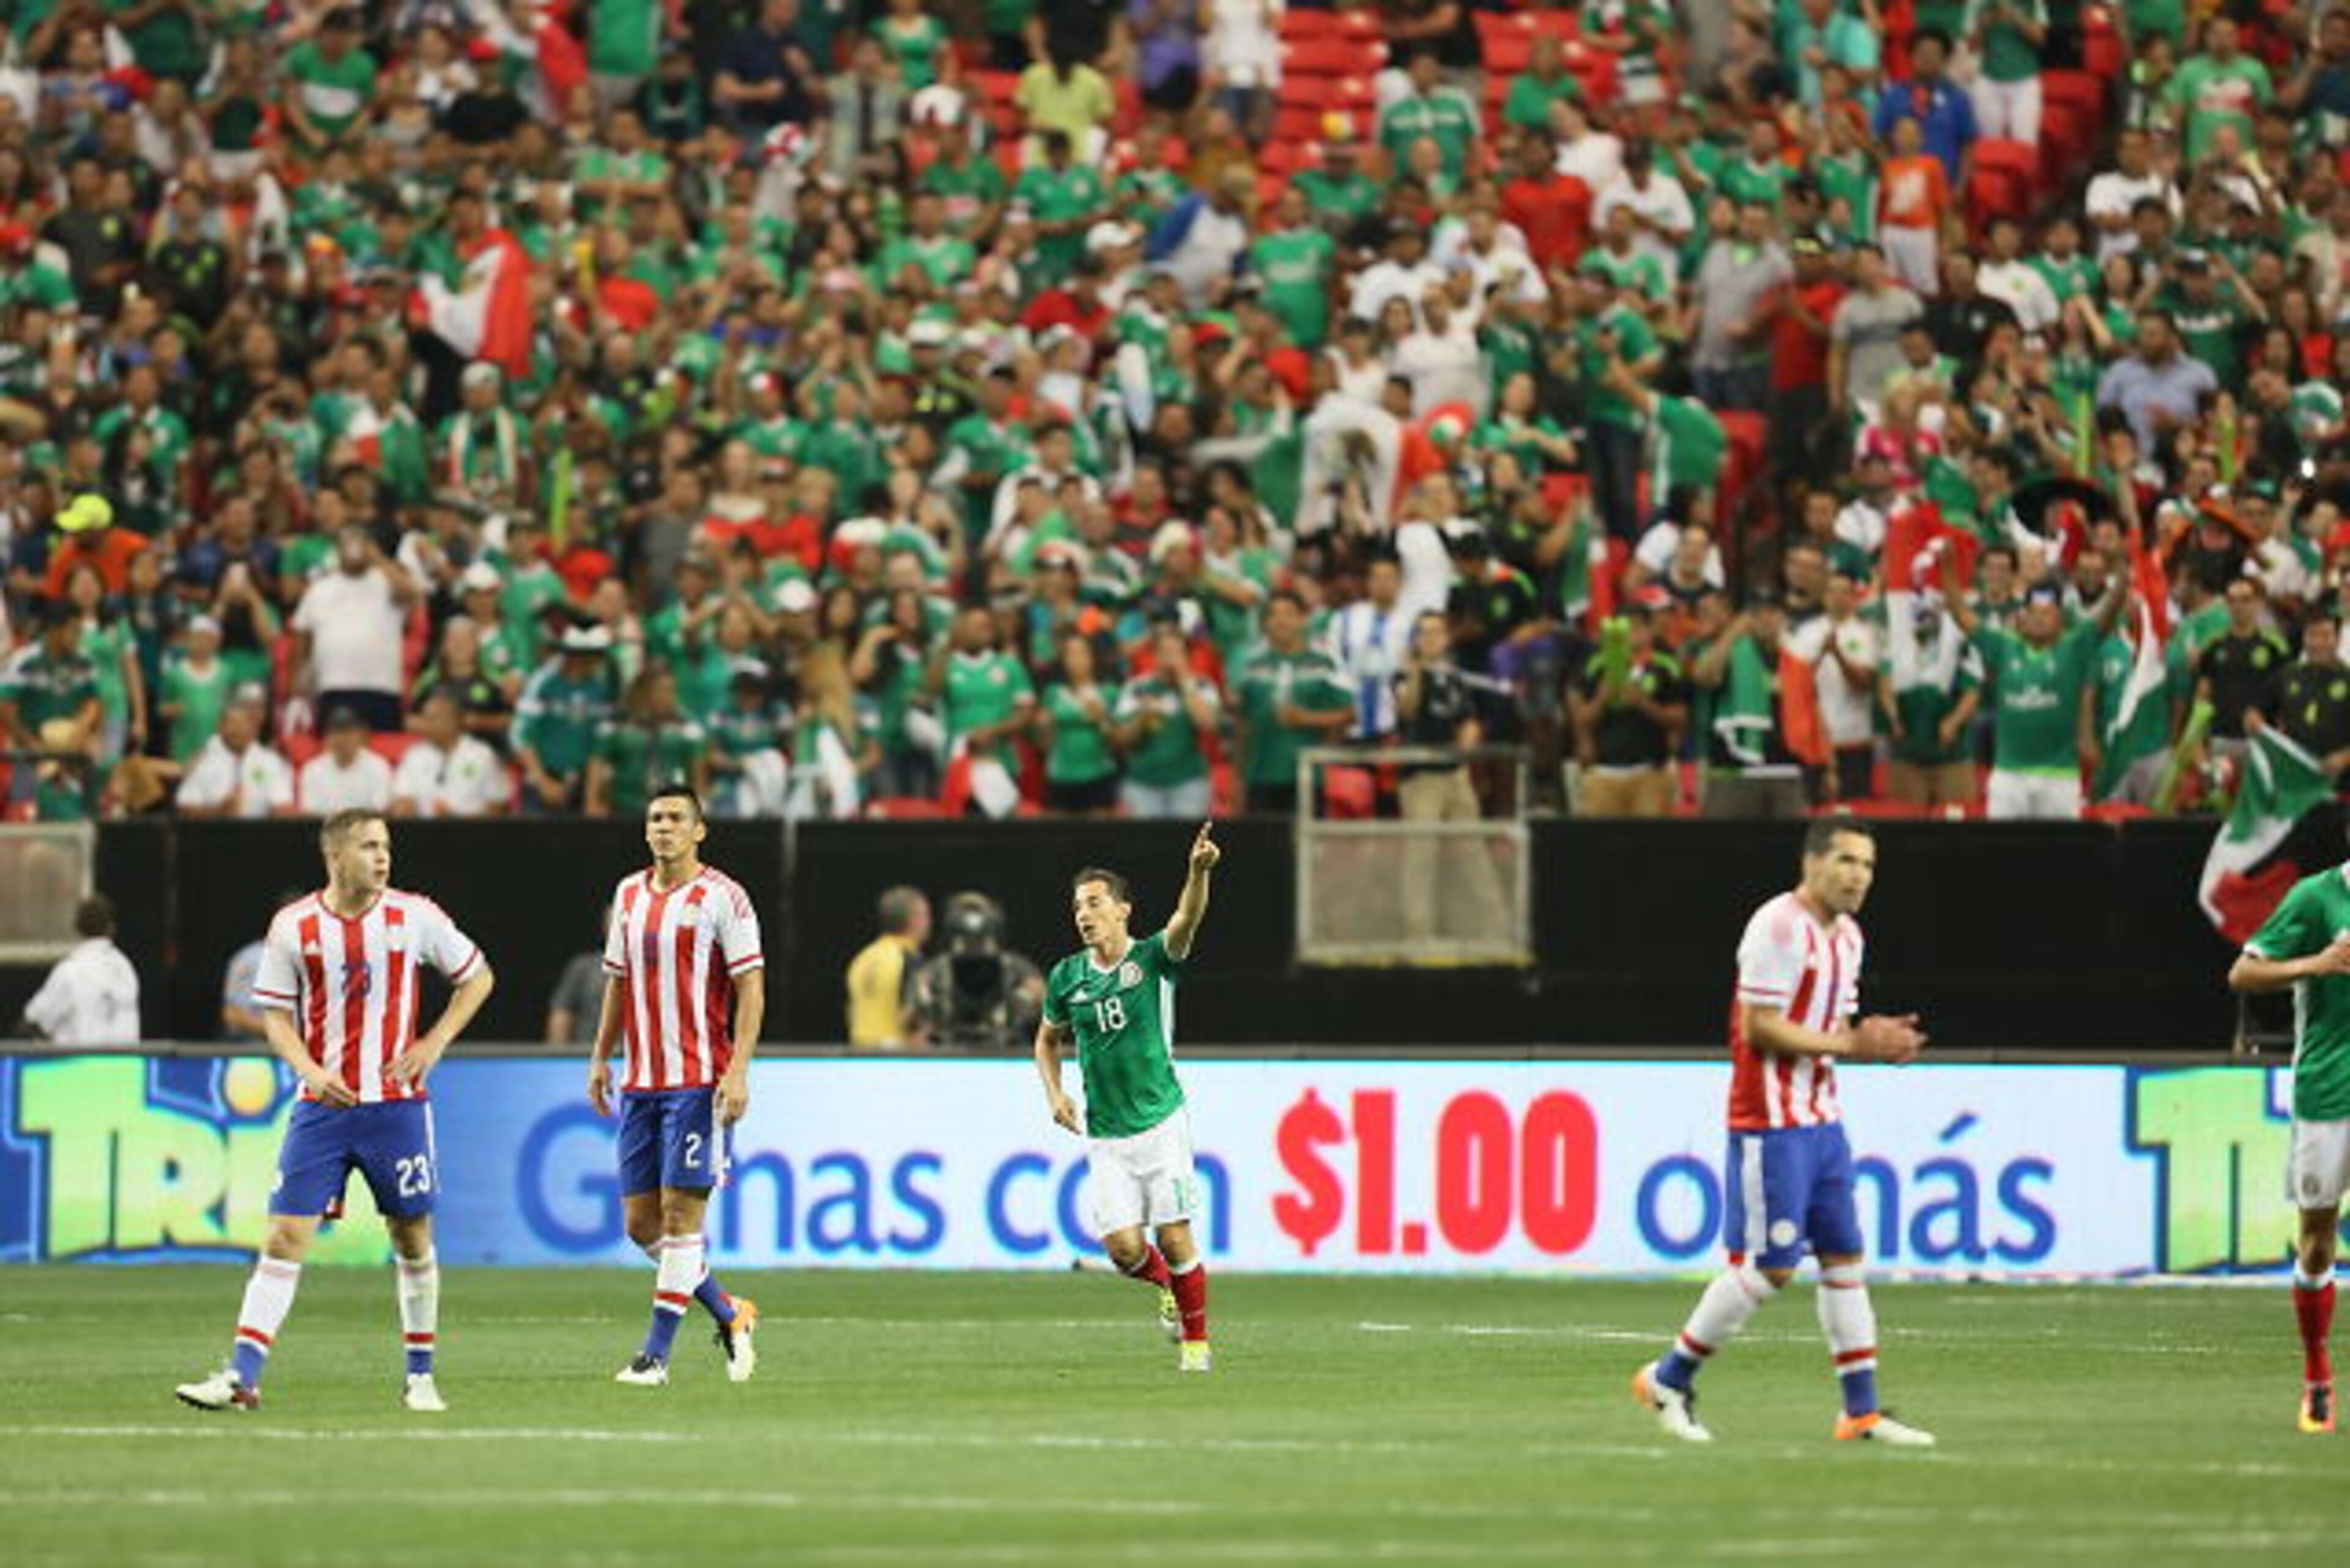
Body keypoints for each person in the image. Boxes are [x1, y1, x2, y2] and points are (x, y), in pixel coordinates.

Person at [174, 809, 495, 1414]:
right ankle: (243, 1377)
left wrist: (434, 1042)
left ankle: (420, 1378)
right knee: (284, 1235)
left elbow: (477, 978)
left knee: (411, 1234)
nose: (383, 857)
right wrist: (310, 1070)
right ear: (335, 857)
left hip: (396, 1109)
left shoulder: (414, 915)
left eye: (387, 846)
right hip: (321, 1109)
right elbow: (273, 1015)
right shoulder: (294, 928)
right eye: (370, 846)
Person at [1632, 818, 1934, 1447]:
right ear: (1812, 862)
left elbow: (1834, 1026)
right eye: (1848, 860)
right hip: (1769, 1123)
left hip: (1822, 1120)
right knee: (1769, 1269)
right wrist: (1851, 1042)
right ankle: (1668, 1378)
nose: (1859, 876)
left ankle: (1861, 1413)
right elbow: (1760, 1027)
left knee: (1844, 1260)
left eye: (1869, 865)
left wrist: (1869, 1037)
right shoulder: (1776, 926)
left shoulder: (1849, 937)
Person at [588, 785, 764, 1386]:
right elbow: (617, 981)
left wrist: (738, 1069)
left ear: (699, 831)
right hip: (641, 1081)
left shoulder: (725, 897)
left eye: (676, 818)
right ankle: (728, 1311)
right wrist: (598, 1058)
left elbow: (750, 988)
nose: (663, 826)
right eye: (655, 817)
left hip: (698, 1080)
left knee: (681, 1215)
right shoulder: (629, 895)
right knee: (642, 1224)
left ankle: (654, 1357)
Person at [1033, 826, 1221, 1372]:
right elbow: (1046, 1039)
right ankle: (1163, 1284)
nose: (1083, 914)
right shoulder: (1067, 977)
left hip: (1161, 1122)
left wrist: (1199, 872)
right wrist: (1054, 1091)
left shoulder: (1154, 960)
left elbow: (1187, 918)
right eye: (1077, 907)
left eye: (1094, 904)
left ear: (1123, 910)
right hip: (1107, 1134)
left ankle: (1196, 1346)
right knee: (1123, 1250)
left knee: (1175, 1233)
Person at [2228, 843, 2350, 1434]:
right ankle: (2317, 1378)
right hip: (2327, 1092)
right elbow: (2243, 973)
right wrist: (2317, 965)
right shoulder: (2315, 898)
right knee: (2317, 1245)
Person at [20, 895, 139, 1045]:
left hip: (83, 1065)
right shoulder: (126, 969)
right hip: (129, 1065)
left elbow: (34, 1021)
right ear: (112, 928)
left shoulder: (71, 971)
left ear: (77, 927)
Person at [846, 885, 931, 1049]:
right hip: (894, 1056)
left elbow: (851, 1010)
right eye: (926, 915)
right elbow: (912, 1014)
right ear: (914, 919)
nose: (929, 922)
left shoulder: (863, 958)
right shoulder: (910, 959)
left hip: (858, 1052)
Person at [296, 705, 394, 815]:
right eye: (336, 732)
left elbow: (380, 812)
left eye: (348, 732)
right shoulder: (312, 769)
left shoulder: (378, 766)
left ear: (361, 735)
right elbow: (310, 814)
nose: (341, 738)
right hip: (325, 830)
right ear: (326, 737)